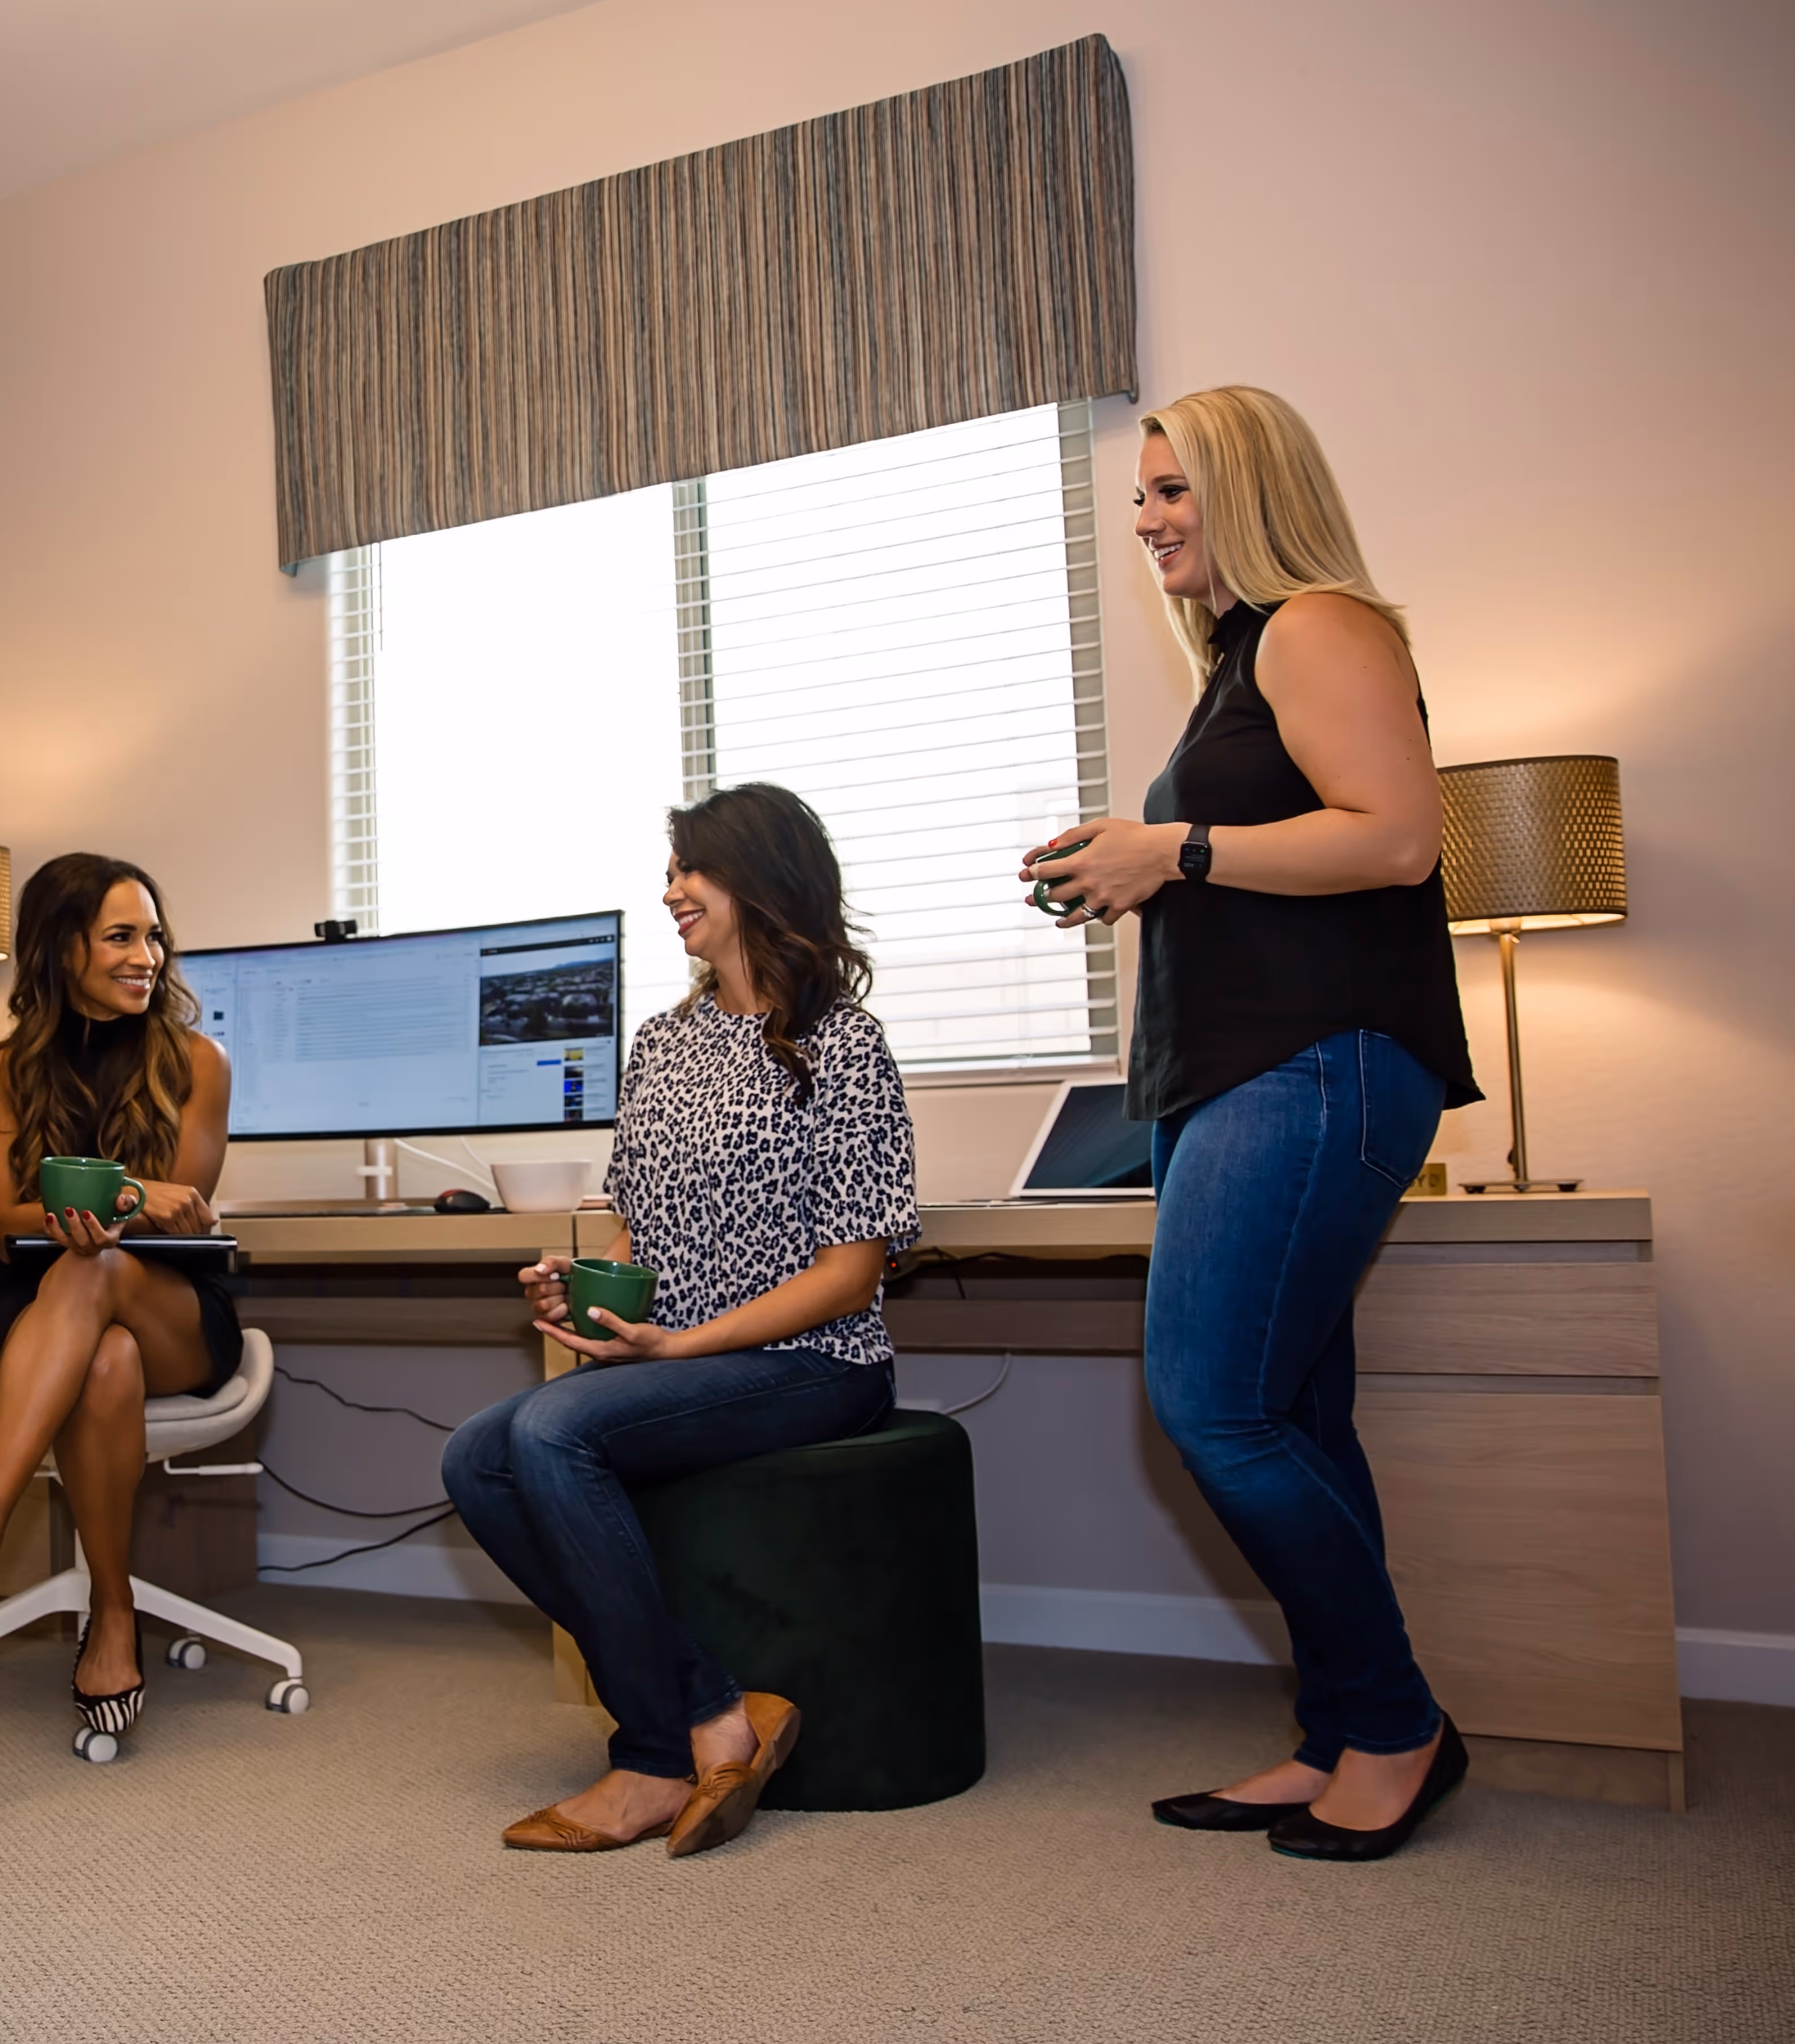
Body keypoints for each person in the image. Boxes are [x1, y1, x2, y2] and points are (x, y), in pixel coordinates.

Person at [1023, 384, 1483, 1863]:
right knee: (1287, 1413)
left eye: (1171, 488)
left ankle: (1397, 1721)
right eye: (1138, 495)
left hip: (1315, 1064)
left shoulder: (1318, 623)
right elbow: (1259, 849)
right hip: (1240, 1074)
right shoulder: (1237, 662)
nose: (1147, 516)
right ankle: (1343, 1728)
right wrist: (1135, 864)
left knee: (1211, 1405)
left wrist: (1175, 843)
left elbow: (1394, 834)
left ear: (1245, 485)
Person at [443, 784, 918, 1857]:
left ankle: (653, 1756)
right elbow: (637, 1235)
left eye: (688, 871)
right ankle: (713, 1706)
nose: (669, 893)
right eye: (667, 873)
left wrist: (683, 1345)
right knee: (476, 1456)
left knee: (553, 1429)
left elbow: (851, 1274)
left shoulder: (843, 1042)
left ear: (758, 878)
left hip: (816, 1360)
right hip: (682, 1355)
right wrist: (587, 1290)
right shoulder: (662, 1043)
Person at [0, 853, 237, 1744]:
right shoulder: (0, 1068)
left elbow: (180, 1210)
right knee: (98, 1348)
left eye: (153, 935)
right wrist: (127, 1192)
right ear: (58, 948)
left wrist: (116, 1204)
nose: (146, 955)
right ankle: (113, 1615)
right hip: (36, 1305)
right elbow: (5, 1221)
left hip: (169, 1306)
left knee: (103, 1272)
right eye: (121, 935)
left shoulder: (198, 1060)